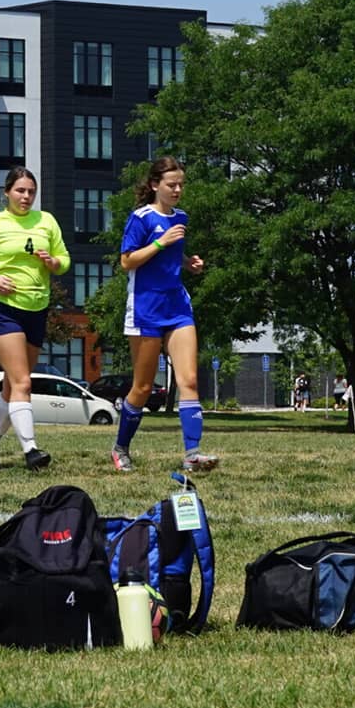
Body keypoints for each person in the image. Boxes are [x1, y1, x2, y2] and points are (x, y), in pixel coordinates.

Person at [0, 165, 69, 472]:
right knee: (23, 381)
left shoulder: (46, 221)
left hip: (37, 309)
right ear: (7, 192)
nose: (26, 196)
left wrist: (53, 261)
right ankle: (31, 450)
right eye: (20, 191)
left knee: (11, 385)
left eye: (31, 191)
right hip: (2, 311)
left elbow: (65, 261)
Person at [111, 157, 216, 473]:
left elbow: (171, 255)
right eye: (172, 184)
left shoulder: (181, 218)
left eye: (181, 184)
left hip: (178, 307)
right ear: (156, 185)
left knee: (190, 380)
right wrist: (160, 242)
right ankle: (120, 448)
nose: (178, 190)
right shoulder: (140, 218)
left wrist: (187, 262)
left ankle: (192, 454)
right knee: (142, 388)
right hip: (146, 310)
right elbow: (127, 262)